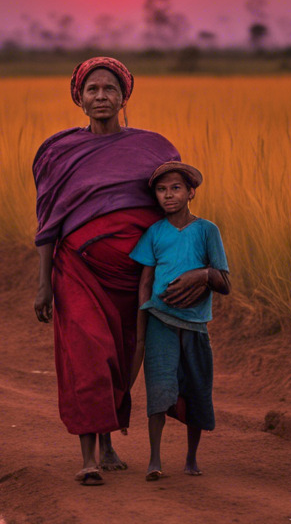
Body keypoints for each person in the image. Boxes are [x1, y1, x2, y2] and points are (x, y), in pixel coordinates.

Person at [33, 57, 199, 486]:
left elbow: (175, 213)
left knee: (122, 360)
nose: (101, 96)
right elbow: (47, 223)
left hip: (136, 277)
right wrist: (43, 285)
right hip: (76, 271)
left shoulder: (155, 149)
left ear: (124, 96)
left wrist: (187, 272)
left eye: (109, 89)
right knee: (87, 357)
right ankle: (88, 457)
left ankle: (108, 441)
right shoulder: (58, 152)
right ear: (79, 98)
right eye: (92, 90)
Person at [127, 160, 230, 481]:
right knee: (159, 388)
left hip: (196, 325)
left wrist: (201, 275)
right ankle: (154, 459)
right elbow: (146, 279)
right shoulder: (155, 233)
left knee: (197, 389)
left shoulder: (206, 230)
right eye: (161, 190)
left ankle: (191, 458)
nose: (168, 195)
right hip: (160, 319)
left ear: (191, 193)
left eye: (176, 188)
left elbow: (224, 282)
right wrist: (144, 314)